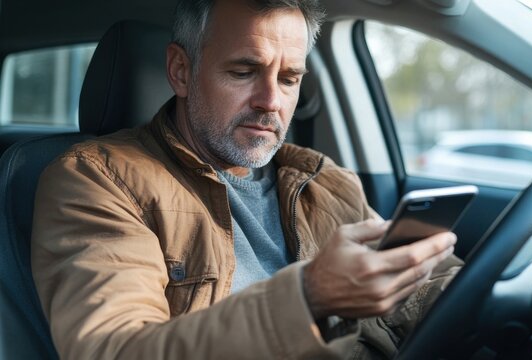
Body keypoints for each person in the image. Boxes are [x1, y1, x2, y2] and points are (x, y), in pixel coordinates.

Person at [31, 0, 462, 358]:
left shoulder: (324, 180)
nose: (271, 101)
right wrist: (308, 296)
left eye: (289, 78)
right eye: (243, 72)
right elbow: (117, 349)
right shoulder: (98, 181)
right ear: (181, 71)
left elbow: (435, 289)